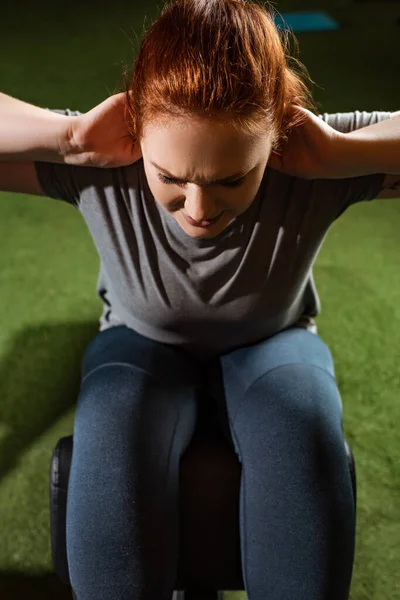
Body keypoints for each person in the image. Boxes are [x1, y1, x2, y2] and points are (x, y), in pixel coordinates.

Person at [0, 0, 395, 598]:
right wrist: (71, 136)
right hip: (139, 346)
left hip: (273, 346)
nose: (199, 209)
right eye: (170, 178)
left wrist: (345, 155)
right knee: (112, 451)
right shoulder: (98, 159)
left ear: (279, 140)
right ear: (136, 133)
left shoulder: (311, 156)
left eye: (232, 179)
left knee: (305, 447)